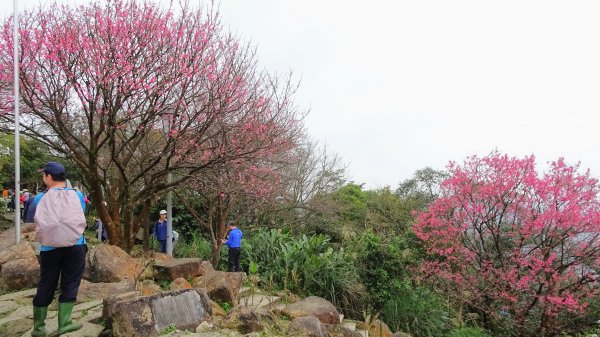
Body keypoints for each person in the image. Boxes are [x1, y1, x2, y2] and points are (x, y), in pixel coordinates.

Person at [31, 162, 87, 336]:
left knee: (46, 284)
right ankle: (64, 323)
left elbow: (38, 220)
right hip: (76, 245)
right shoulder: (78, 195)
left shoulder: (40, 198)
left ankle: (39, 329)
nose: (43, 178)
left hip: (50, 248)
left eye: (43, 175)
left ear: (48, 177)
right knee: (70, 283)